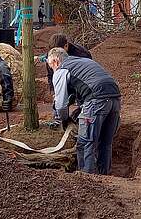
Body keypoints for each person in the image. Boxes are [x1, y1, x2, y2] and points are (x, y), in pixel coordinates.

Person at [47, 47, 121, 175]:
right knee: (105, 142)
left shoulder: (61, 70)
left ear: (55, 61)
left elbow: (61, 104)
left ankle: (87, 178)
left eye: (50, 65)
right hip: (115, 99)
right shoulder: (83, 62)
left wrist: (63, 119)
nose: (52, 69)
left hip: (96, 100)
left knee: (85, 143)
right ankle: (105, 176)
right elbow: (84, 87)